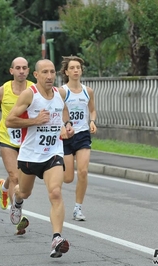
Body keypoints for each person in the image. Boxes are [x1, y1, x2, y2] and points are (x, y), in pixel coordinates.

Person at [5, 59, 74, 258]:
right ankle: (16, 202)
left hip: (53, 153)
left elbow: (64, 110)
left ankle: (56, 238)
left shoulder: (60, 93)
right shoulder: (30, 95)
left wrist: (67, 124)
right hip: (30, 155)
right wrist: (35, 120)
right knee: (24, 192)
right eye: (45, 72)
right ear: (36, 75)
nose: (50, 76)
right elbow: (10, 120)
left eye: (52, 72)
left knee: (55, 192)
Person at [0, 57, 33, 234]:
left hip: (28, 139)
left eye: (24, 68)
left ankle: (4, 187)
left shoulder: (35, 90)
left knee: (17, 174)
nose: (21, 71)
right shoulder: (1, 91)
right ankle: (16, 210)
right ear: (11, 71)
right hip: (7, 137)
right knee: (15, 175)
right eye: (17, 68)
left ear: (28, 70)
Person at [58, 56, 97, 221]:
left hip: (82, 134)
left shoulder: (88, 91)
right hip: (66, 136)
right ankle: (51, 178)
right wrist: (62, 127)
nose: (75, 70)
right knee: (68, 178)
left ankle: (78, 208)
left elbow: (92, 110)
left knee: (83, 171)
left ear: (81, 71)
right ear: (66, 72)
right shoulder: (61, 91)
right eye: (72, 68)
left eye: (78, 68)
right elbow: (56, 112)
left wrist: (93, 121)